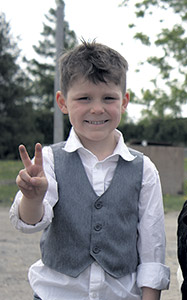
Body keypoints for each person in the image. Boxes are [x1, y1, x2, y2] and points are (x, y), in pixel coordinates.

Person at [10, 41, 170, 300]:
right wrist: (32, 197)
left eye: (109, 98)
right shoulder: (49, 161)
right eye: (84, 98)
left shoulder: (144, 169)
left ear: (124, 101)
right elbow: (29, 223)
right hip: (56, 294)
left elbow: (153, 246)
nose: (97, 108)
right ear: (63, 102)